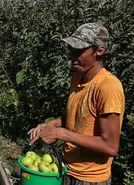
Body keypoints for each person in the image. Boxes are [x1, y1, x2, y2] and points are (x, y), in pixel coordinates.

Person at [28, 23, 125, 185]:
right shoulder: (77, 77)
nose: (73, 55)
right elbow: (77, 120)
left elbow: (110, 146)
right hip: (67, 169)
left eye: (79, 50)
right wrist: (50, 124)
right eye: (72, 49)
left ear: (99, 51)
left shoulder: (108, 87)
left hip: (90, 179)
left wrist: (60, 134)